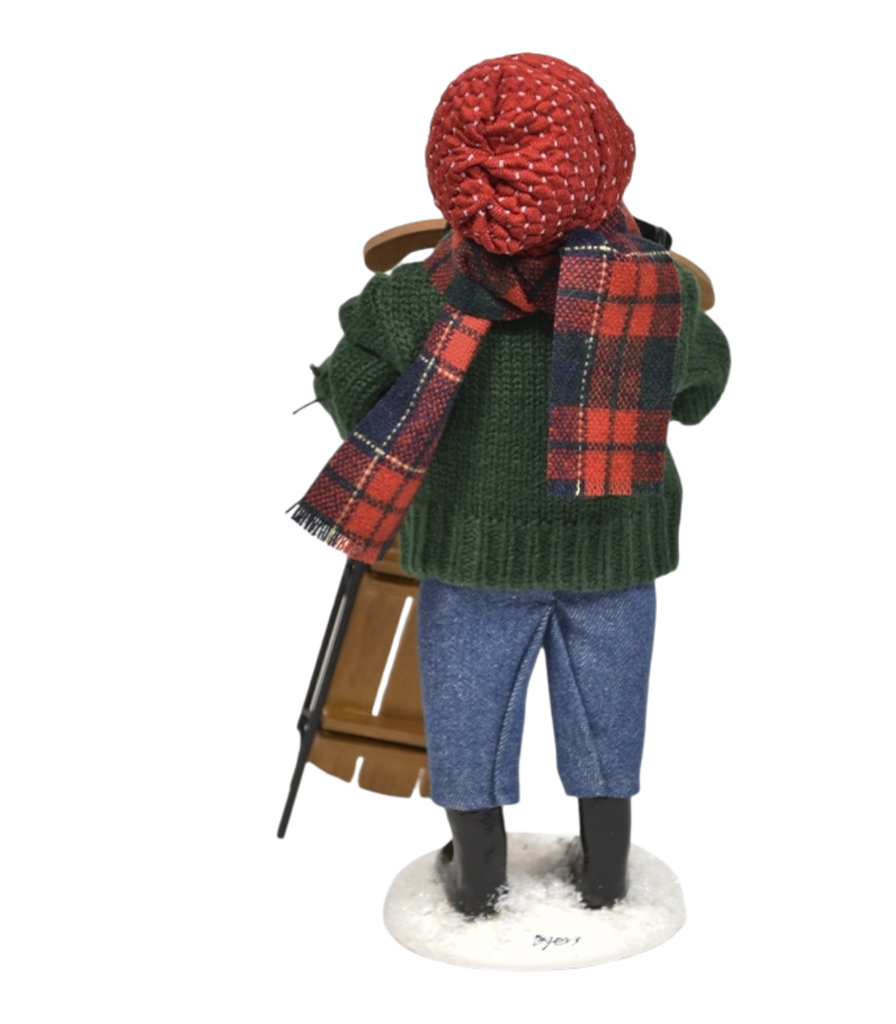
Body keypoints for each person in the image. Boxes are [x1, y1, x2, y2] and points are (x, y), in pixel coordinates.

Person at [289, 50, 732, 918]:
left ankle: (475, 880)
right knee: (609, 716)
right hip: (614, 548)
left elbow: (349, 389)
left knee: (469, 717)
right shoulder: (654, 294)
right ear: (601, 160)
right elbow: (702, 388)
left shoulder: (413, 296)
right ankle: (606, 875)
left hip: (467, 551)